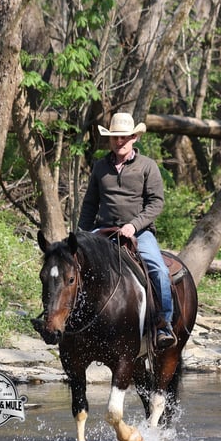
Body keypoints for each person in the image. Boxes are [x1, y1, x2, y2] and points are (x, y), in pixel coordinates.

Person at [78, 112, 176, 349]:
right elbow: (90, 204)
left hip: (139, 232)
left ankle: (163, 325)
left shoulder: (147, 166)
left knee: (160, 271)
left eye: (124, 137)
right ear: (110, 140)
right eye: (115, 137)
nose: (119, 141)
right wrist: (82, 235)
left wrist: (134, 225)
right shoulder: (100, 167)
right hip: (103, 230)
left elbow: (156, 203)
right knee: (74, 268)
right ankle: (74, 321)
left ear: (134, 138)